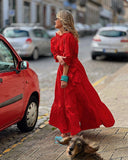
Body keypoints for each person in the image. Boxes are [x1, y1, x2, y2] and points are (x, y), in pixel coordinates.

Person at [49, 10, 115, 139]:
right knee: (60, 100)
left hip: (71, 72)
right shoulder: (57, 36)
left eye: (57, 19)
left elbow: (68, 59)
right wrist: (58, 56)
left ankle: (74, 131)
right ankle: (65, 129)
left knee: (70, 102)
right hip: (62, 70)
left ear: (63, 21)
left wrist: (64, 77)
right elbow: (55, 52)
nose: (55, 21)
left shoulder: (68, 37)